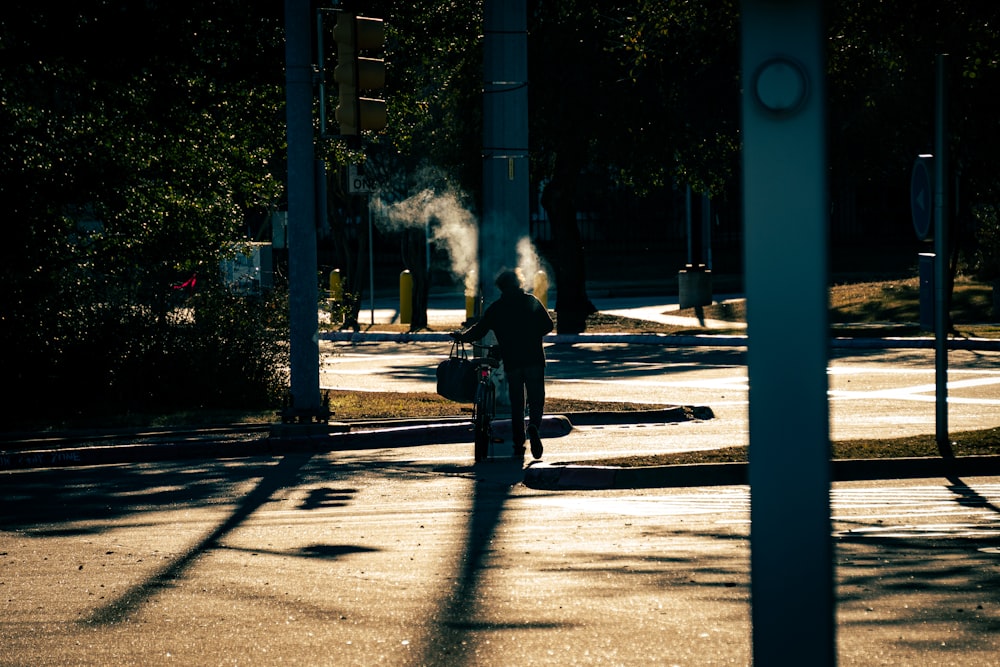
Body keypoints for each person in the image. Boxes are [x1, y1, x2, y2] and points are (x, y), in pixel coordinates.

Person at [452, 270, 554, 459]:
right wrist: (531, 334)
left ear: (500, 287)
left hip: (512, 362)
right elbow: (548, 325)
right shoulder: (530, 301)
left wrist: (462, 336)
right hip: (534, 359)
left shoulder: (497, 308)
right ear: (519, 282)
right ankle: (533, 427)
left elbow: (479, 330)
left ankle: (518, 443)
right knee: (536, 399)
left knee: (517, 404)